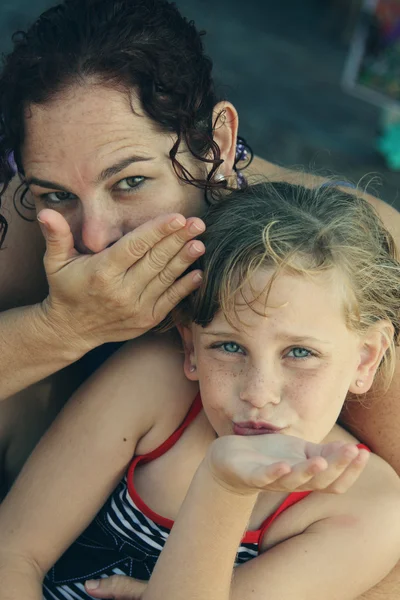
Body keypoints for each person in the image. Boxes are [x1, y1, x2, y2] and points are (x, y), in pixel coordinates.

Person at [0, 1, 399, 589]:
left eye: (131, 182)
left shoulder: (332, 267)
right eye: (56, 192)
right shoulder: (41, 208)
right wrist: (61, 329)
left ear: (217, 141)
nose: (94, 237)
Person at [0, 181, 399, 600]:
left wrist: (224, 485)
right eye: (229, 346)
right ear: (190, 347)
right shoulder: (156, 384)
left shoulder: (366, 507)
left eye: (300, 352)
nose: (258, 392)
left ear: (365, 359)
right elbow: (14, 553)